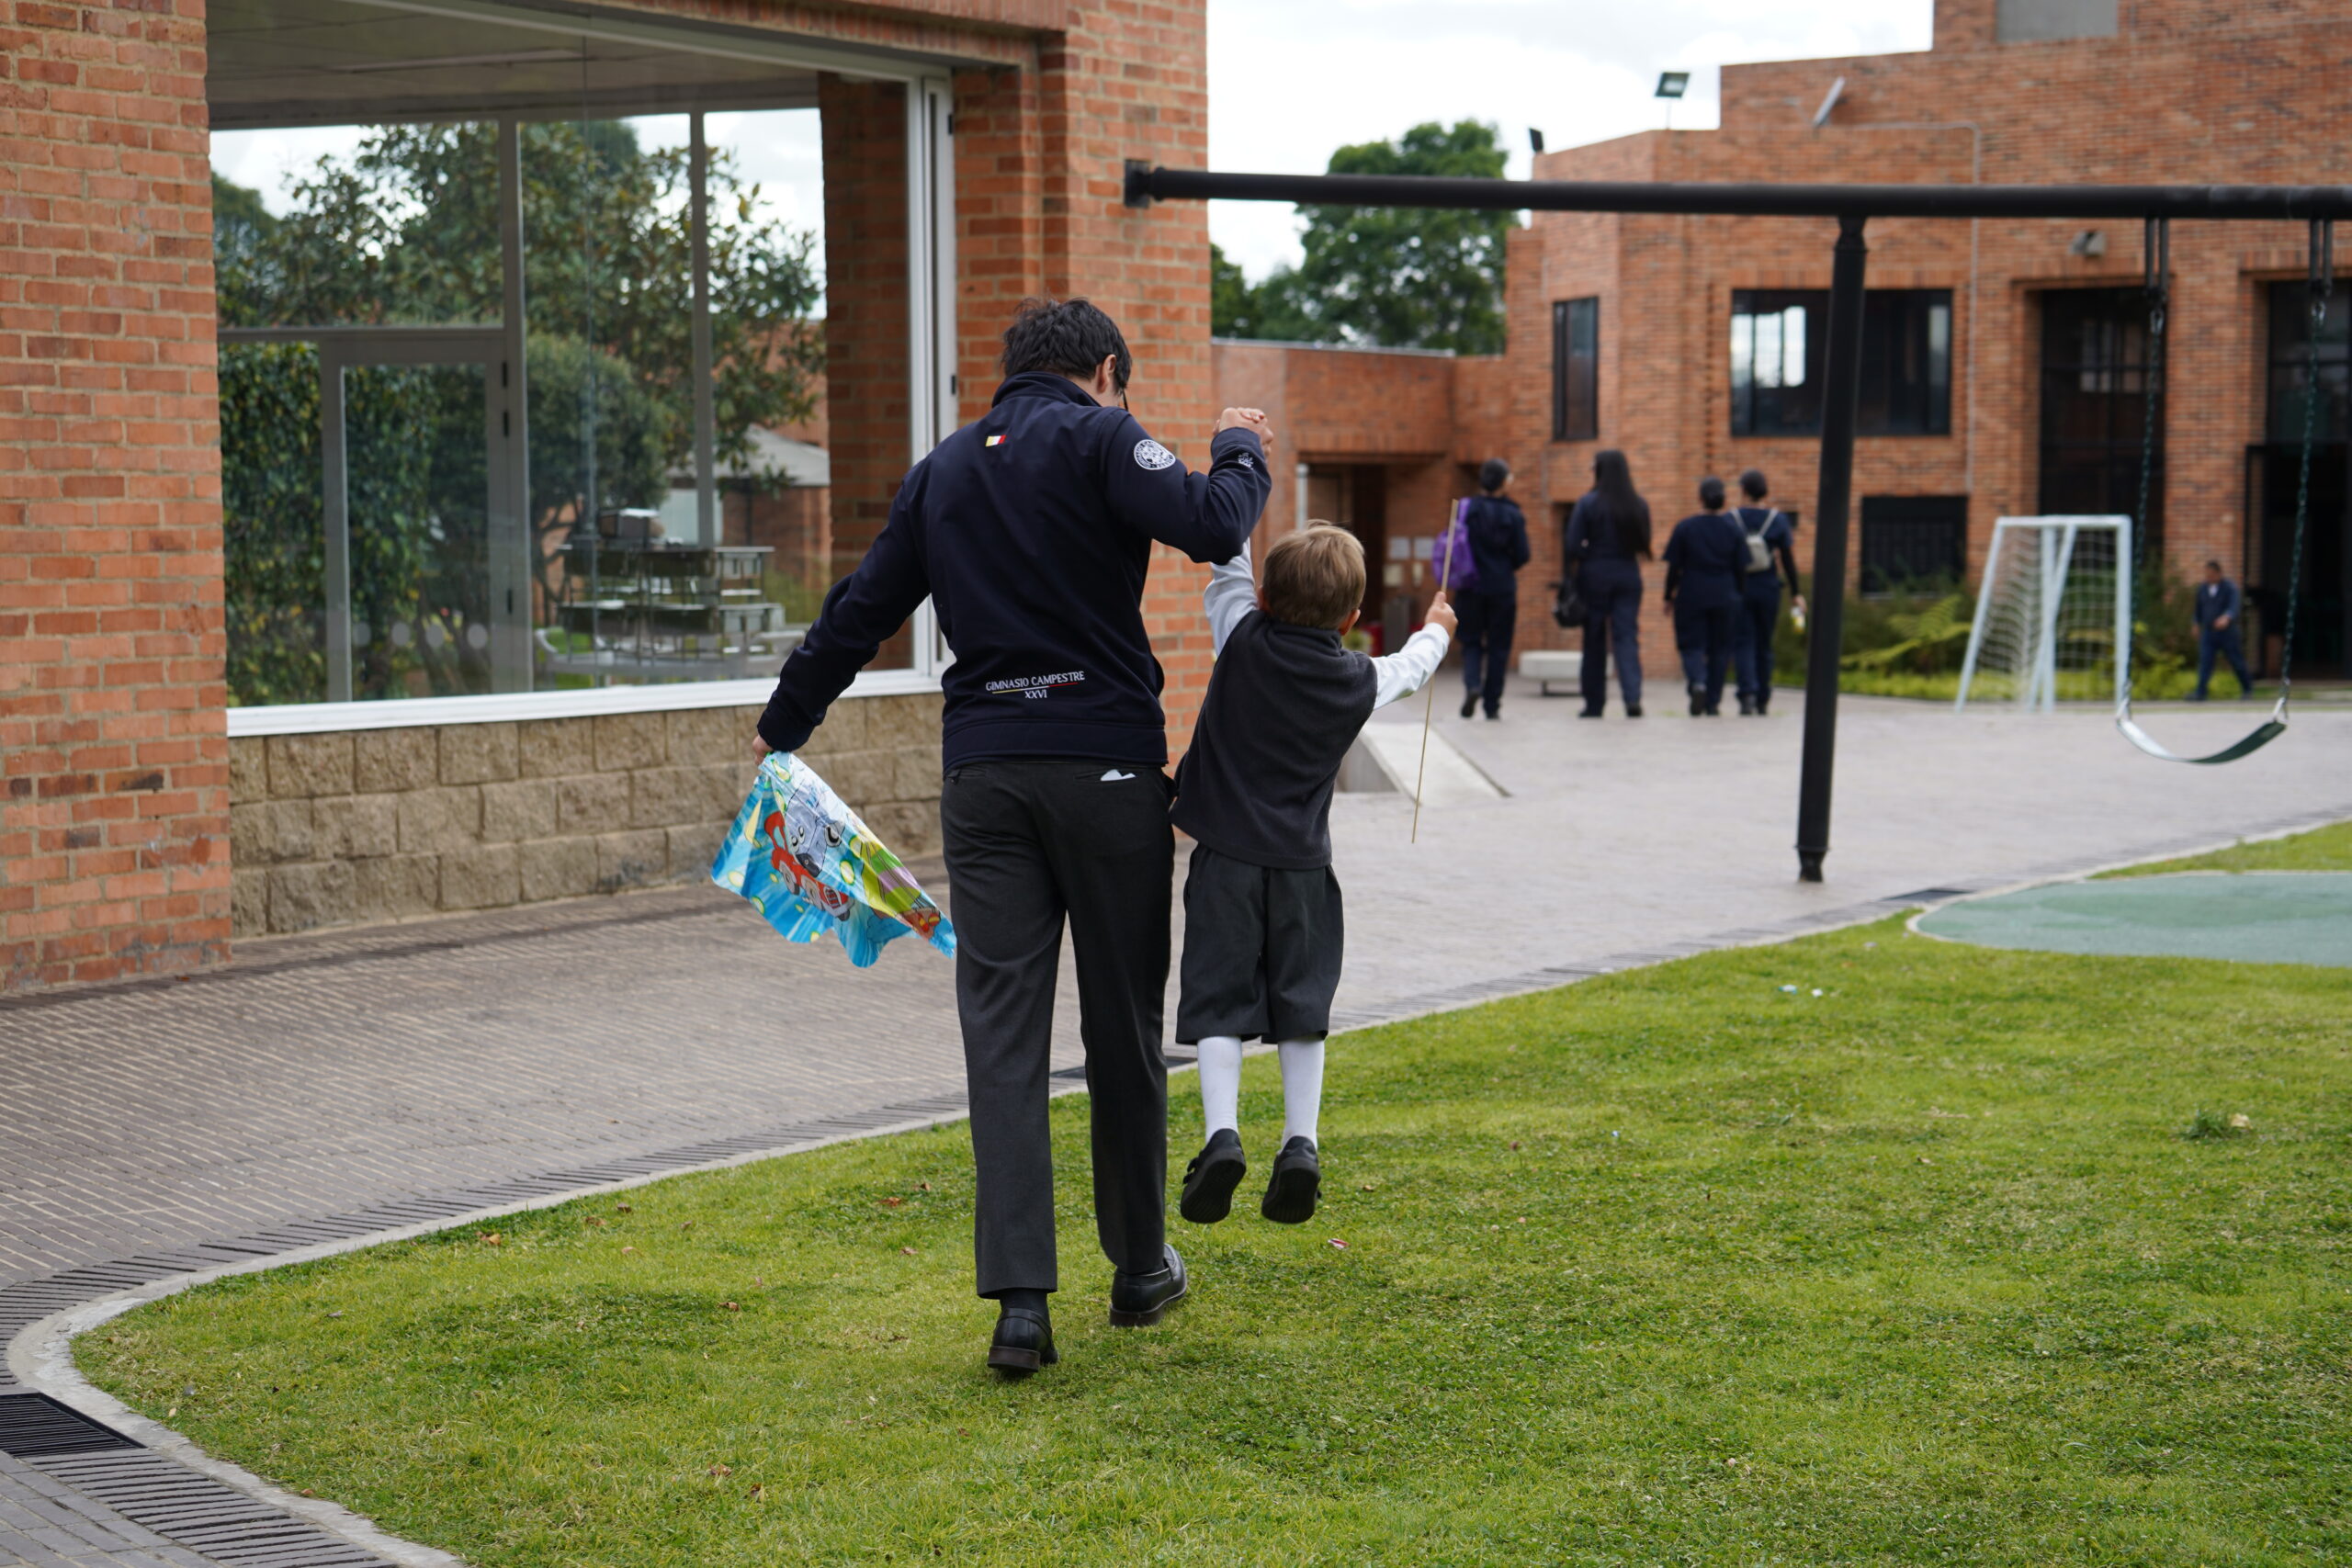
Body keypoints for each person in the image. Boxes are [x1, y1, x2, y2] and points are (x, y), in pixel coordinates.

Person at [752, 299, 1273, 1377]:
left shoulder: (942, 468)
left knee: (1002, 1036)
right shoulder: (1100, 434)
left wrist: (782, 725)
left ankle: (1021, 1309)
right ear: (1105, 372)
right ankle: (1138, 1269)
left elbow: (860, 607)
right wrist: (1238, 447)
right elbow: (1217, 523)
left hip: (983, 777)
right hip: (1105, 767)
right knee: (1123, 1027)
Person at [1170, 525, 1453, 1229]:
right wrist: (1439, 628)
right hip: (1304, 870)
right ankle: (1301, 1144)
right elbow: (1412, 667)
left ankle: (1221, 1135)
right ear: (1353, 621)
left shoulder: (1239, 635)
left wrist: (1242, 459)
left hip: (1225, 862)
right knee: (1303, 1004)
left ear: (1264, 598)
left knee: (1216, 998)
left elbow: (1224, 553)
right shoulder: (1356, 677)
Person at [1560, 449, 1652, 718]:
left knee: (1594, 640)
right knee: (1626, 637)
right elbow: (1644, 543)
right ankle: (1632, 697)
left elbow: (1573, 544)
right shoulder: (1638, 504)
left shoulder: (1588, 503)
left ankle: (1594, 703)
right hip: (1628, 575)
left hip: (1595, 576)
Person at [1662, 477, 1747, 716]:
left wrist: (1668, 596)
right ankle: (1712, 701)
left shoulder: (1686, 527)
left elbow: (1674, 567)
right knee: (1721, 648)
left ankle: (1697, 681)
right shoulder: (1732, 528)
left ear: (1700, 498)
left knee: (1691, 644)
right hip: (1725, 592)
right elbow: (1741, 568)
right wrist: (1738, 594)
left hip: (1692, 591)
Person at [1454, 457, 1531, 721]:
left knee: (1472, 642)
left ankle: (1472, 685)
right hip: (1501, 587)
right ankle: (1492, 704)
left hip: (1470, 585)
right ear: (1503, 481)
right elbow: (1523, 555)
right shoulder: (1513, 513)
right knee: (1499, 646)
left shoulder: (1468, 509)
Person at [1728, 468, 1804, 716]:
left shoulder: (1732, 518)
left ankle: (1746, 694)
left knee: (1743, 641)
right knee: (1764, 642)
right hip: (1768, 587)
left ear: (1744, 491)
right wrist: (1796, 591)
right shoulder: (1778, 520)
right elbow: (1788, 559)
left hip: (1740, 587)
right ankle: (1763, 697)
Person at [2192, 558, 2255, 700]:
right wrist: (2196, 623)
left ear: (2219, 573)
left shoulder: (2229, 588)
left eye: (2211, 574)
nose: (2209, 577)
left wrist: (2226, 617)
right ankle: (2201, 692)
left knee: (2236, 661)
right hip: (2209, 631)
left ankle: (2247, 689)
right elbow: (2198, 609)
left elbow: (2234, 607)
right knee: (2205, 661)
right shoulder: (2202, 589)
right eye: (2207, 575)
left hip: (2227, 633)